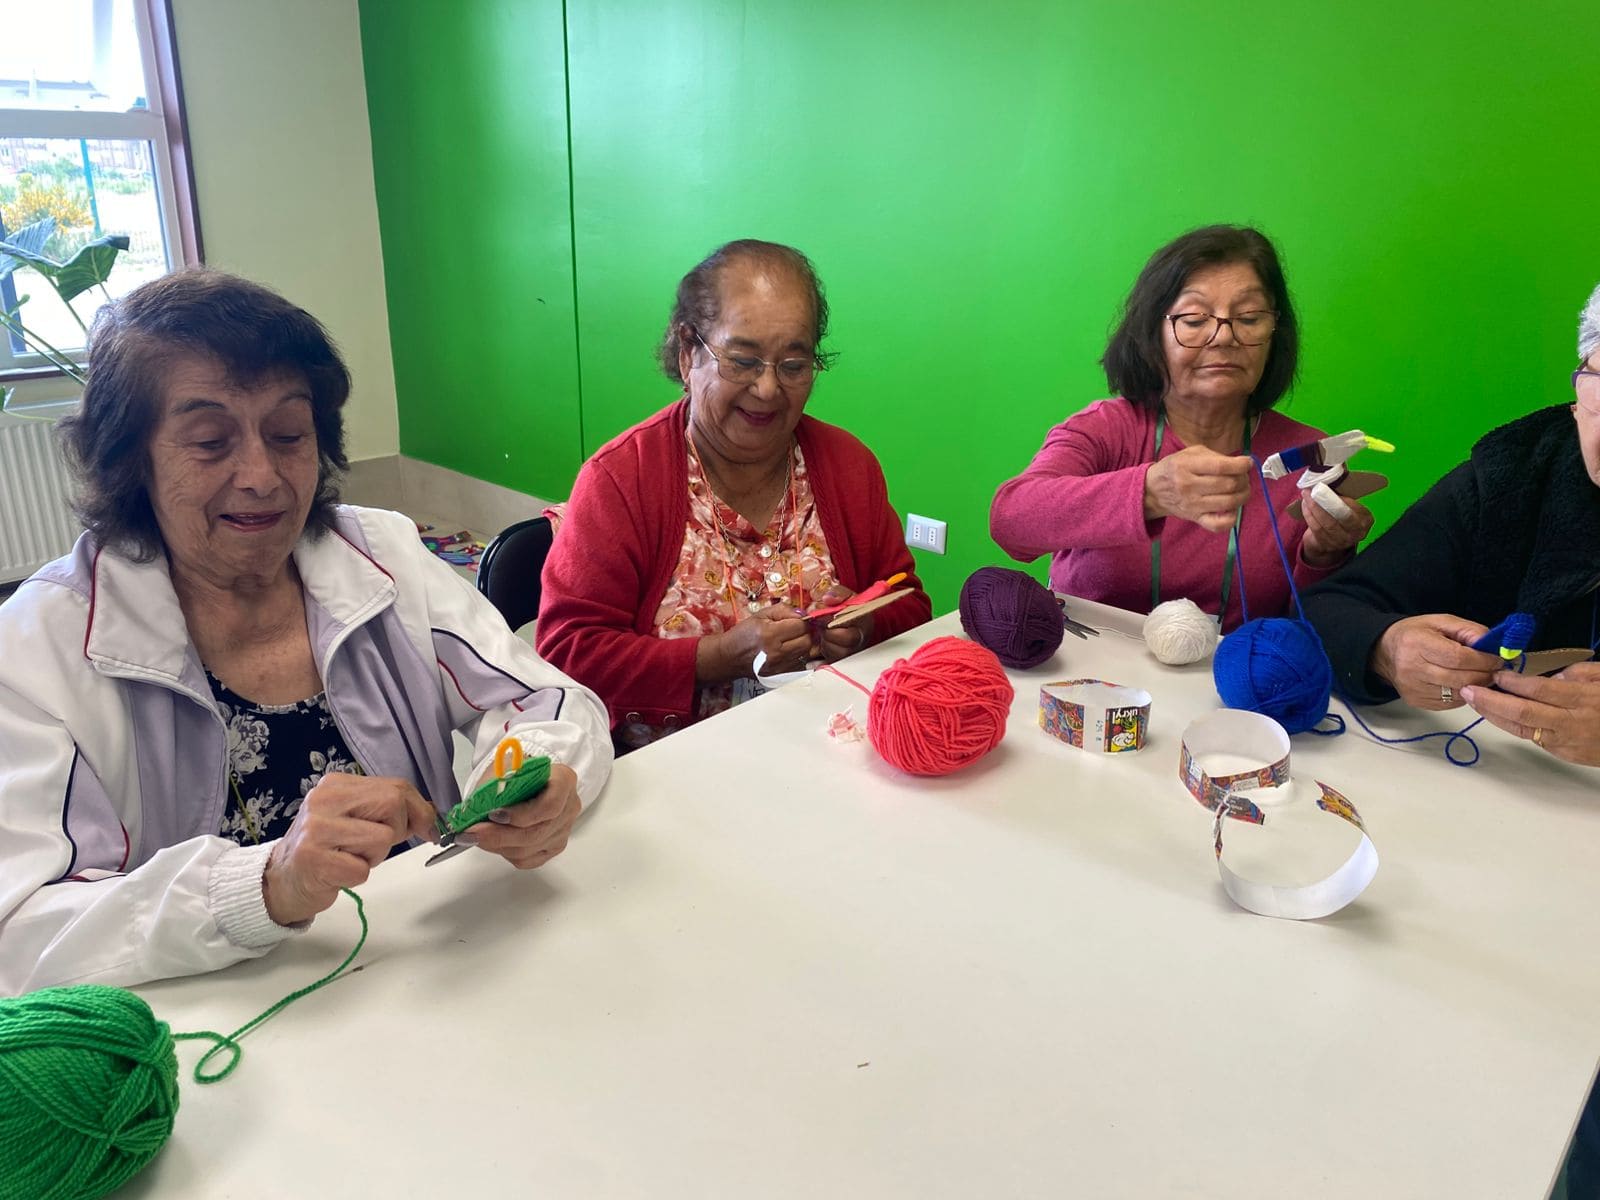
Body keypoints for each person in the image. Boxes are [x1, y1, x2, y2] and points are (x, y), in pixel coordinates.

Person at [0, 270, 613, 994]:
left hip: (434, 965)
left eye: (288, 434)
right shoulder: (40, 646)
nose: (262, 475)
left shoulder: (381, 556)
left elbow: (548, 701)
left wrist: (533, 775)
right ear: (130, 459)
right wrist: (265, 884)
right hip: (217, 1024)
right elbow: (23, 931)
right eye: (210, 441)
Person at [537, 239, 931, 748]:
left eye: (794, 366)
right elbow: (567, 654)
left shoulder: (847, 466)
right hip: (670, 771)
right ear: (688, 353)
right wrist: (718, 656)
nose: (768, 389)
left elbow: (909, 602)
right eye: (743, 361)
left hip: (831, 753)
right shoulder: (621, 480)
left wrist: (863, 628)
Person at [989, 225, 1375, 632]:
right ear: (1152, 335)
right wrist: (1150, 492)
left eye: (1249, 318)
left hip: (1229, 671)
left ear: (1275, 334)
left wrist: (1324, 555)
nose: (1223, 337)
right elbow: (1010, 522)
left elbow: (1313, 626)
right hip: (1091, 663)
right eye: (1193, 319)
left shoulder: (1306, 455)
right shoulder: (1107, 429)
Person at [1303, 281, 1600, 770]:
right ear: (1578, 391)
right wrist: (1384, 647)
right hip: (1481, 784)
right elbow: (1326, 608)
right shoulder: (1514, 477)